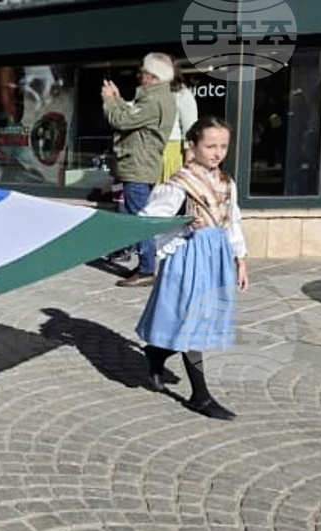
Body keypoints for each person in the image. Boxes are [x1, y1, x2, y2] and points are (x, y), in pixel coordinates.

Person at [136, 117, 249, 420]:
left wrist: (241, 260)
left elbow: (233, 222)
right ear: (193, 146)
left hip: (217, 256)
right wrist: (183, 222)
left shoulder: (226, 182)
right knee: (194, 324)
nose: (217, 152)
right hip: (190, 256)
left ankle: (156, 353)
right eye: (210, 146)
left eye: (223, 146)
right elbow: (149, 218)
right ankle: (200, 395)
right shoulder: (180, 183)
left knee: (202, 321)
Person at [102, 52, 176, 287]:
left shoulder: (153, 101)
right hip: (144, 165)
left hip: (138, 166)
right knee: (141, 215)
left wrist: (109, 100)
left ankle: (146, 270)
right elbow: (132, 118)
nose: (139, 76)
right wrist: (119, 99)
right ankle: (146, 264)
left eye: (143, 72)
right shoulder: (158, 98)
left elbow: (120, 121)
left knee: (138, 219)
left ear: (153, 76)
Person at [162, 59, 199, 183]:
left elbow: (191, 128)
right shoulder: (149, 94)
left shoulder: (182, 94)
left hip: (171, 152)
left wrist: (190, 160)